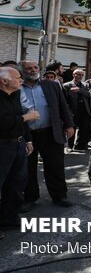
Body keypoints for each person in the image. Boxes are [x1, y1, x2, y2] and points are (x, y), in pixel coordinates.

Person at [19, 60, 74, 209]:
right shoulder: (17, 87)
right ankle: (30, 197)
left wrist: (69, 124)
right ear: (22, 70)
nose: (33, 70)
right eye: (28, 68)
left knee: (55, 165)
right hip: (27, 134)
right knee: (28, 167)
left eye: (35, 67)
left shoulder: (51, 85)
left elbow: (63, 105)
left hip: (50, 132)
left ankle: (59, 195)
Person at [0, 67, 36, 231]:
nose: (21, 80)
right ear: (4, 80)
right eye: (17, 78)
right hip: (3, 146)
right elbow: (3, 122)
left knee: (16, 184)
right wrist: (26, 117)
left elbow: (22, 123)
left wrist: (27, 140)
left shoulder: (15, 96)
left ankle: (10, 218)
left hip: (18, 144)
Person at [62, 68, 91, 152]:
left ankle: (80, 145)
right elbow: (64, 100)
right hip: (73, 111)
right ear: (73, 75)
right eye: (78, 74)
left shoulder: (85, 85)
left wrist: (80, 90)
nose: (80, 76)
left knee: (84, 129)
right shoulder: (66, 85)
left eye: (82, 75)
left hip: (84, 110)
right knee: (72, 128)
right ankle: (69, 146)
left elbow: (90, 94)